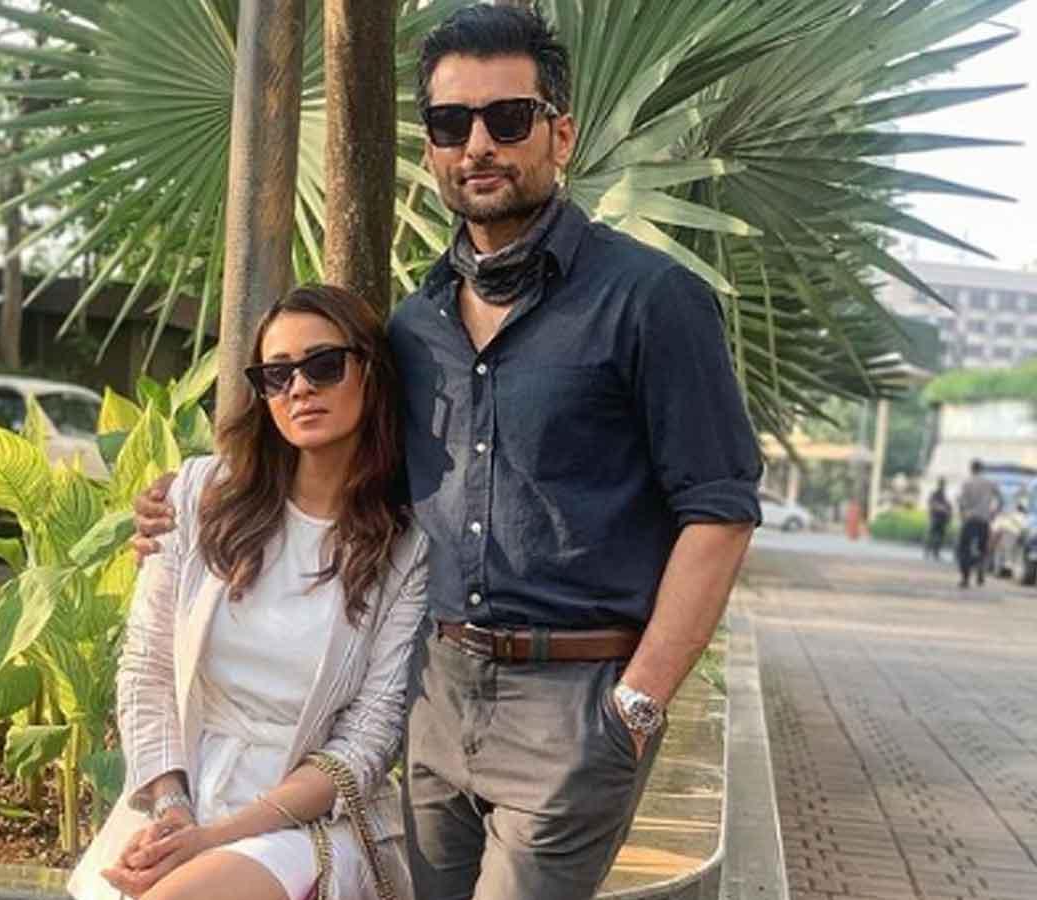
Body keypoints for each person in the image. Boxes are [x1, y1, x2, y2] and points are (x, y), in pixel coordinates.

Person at [135, 7, 761, 899]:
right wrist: (195, 498)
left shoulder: (651, 300)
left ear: (560, 134)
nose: (478, 145)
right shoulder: (413, 327)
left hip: (574, 703)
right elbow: (351, 471)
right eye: (450, 123)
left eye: (507, 118)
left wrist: (638, 702)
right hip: (435, 697)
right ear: (429, 145)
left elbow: (720, 511)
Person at [71, 285, 427, 900]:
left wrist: (216, 838)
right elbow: (146, 669)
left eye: (324, 365)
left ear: (371, 372)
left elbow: (368, 738)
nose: (300, 388)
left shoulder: (407, 544)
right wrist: (174, 810)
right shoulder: (197, 495)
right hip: (185, 796)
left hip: (307, 821)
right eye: (277, 374)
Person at [956, 460, 1002, 589]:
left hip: (970, 519)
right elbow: (1001, 499)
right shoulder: (990, 483)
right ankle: (981, 570)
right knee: (983, 549)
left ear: (971, 469)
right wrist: (994, 513)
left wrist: (962, 516)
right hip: (984, 520)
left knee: (964, 549)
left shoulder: (967, 483)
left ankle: (965, 578)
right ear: (982, 469)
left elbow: (961, 502)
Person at [925, 477, 952, 560]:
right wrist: (943, 509)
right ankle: (928, 551)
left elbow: (948, 506)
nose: (943, 486)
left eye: (944, 485)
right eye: (942, 484)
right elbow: (932, 504)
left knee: (939, 536)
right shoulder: (935, 494)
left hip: (941, 518)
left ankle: (935, 552)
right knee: (933, 535)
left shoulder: (944, 495)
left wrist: (948, 512)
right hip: (936, 517)